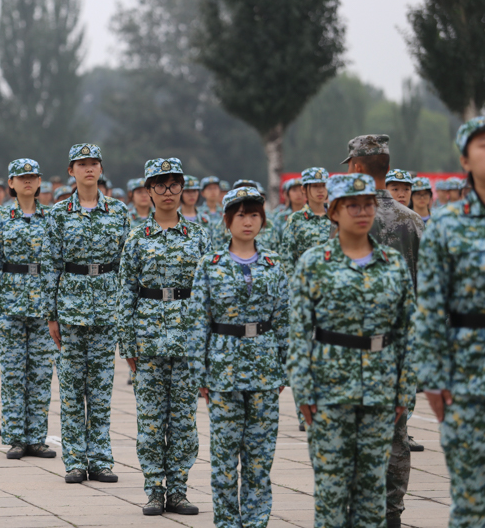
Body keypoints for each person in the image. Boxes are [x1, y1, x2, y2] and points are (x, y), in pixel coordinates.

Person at [287, 173, 415, 528]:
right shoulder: (314, 263)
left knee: (371, 495)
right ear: (334, 212)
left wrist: (404, 391)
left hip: (379, 391)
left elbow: (406, 334)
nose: (362, 212)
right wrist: (303, 392)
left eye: (368, 205)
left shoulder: (392, 265)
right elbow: (299, 333)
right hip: (329, 392)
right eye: (353, 206)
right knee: (332, 494)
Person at [416, 116, 485, 528]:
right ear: (465, 160)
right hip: (470, 384)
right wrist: (433, 379)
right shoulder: (448, 226)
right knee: (473, 506)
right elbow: (431, 307)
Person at [188, 186, 289, 528]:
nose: (248, 222)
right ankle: (228, 521)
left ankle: (257, 520)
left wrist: (284, 370)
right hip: (223, 370)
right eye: (241, 215)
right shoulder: (210, 265)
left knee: (260, 456)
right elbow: (198, 322)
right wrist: (199, 374)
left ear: (263, 220)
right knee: (224, 456)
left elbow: (284, 321)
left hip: (264, 369)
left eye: (254, 215)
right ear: (228, 220)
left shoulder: (274, 265)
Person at [117, 158, 209, 516]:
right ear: (148, 191)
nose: (167, 192)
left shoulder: (198, 236)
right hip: (148, 339)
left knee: (184, 421)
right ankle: (154, 490)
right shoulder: (136, 238)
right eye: (159, 184)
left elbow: (208, 293)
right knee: (151, 421)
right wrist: (127, 343)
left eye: (173, 184)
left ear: (182, 188)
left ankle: (179, 490)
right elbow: (126, 291)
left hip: (187, 340)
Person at [344, 135, 424, 528]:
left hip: (351, 346)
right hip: (399, 346)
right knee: (396, 434)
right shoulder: (414, 222)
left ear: (358, 167)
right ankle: (392, 513)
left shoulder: (346, 217)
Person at [43, 143, 130, 484]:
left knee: (101, 389)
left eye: (94, 163)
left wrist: (124, 310)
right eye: (82, 164)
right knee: (71, 389)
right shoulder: (58, 214)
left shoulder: (118, 211)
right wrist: (51, 313)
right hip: (70, 309)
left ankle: (101, 459)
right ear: (71, 171)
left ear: (101, 168)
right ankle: (76, 461)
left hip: (107, 309)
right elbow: (50, 265)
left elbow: (125, 265)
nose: (89, 169)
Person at [0, 158, 57, 458]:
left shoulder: (52, 217)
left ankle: (37, 438)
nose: (28, 181)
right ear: (11, 183)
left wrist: (56, 305)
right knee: (13, 373)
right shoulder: (0, 217)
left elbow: (57, 264)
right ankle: (15, 437)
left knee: (40, 374)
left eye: (32, 177)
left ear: (39, 182)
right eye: (21, 177)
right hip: (10, 302)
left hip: (43, 304)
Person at [280, 168, 331, 276]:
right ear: (304, 189)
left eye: (323, 185)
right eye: (315, 186)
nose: (320, 190)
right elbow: (287, 258)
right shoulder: (296, 219)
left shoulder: (337, 217)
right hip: (305, 281)